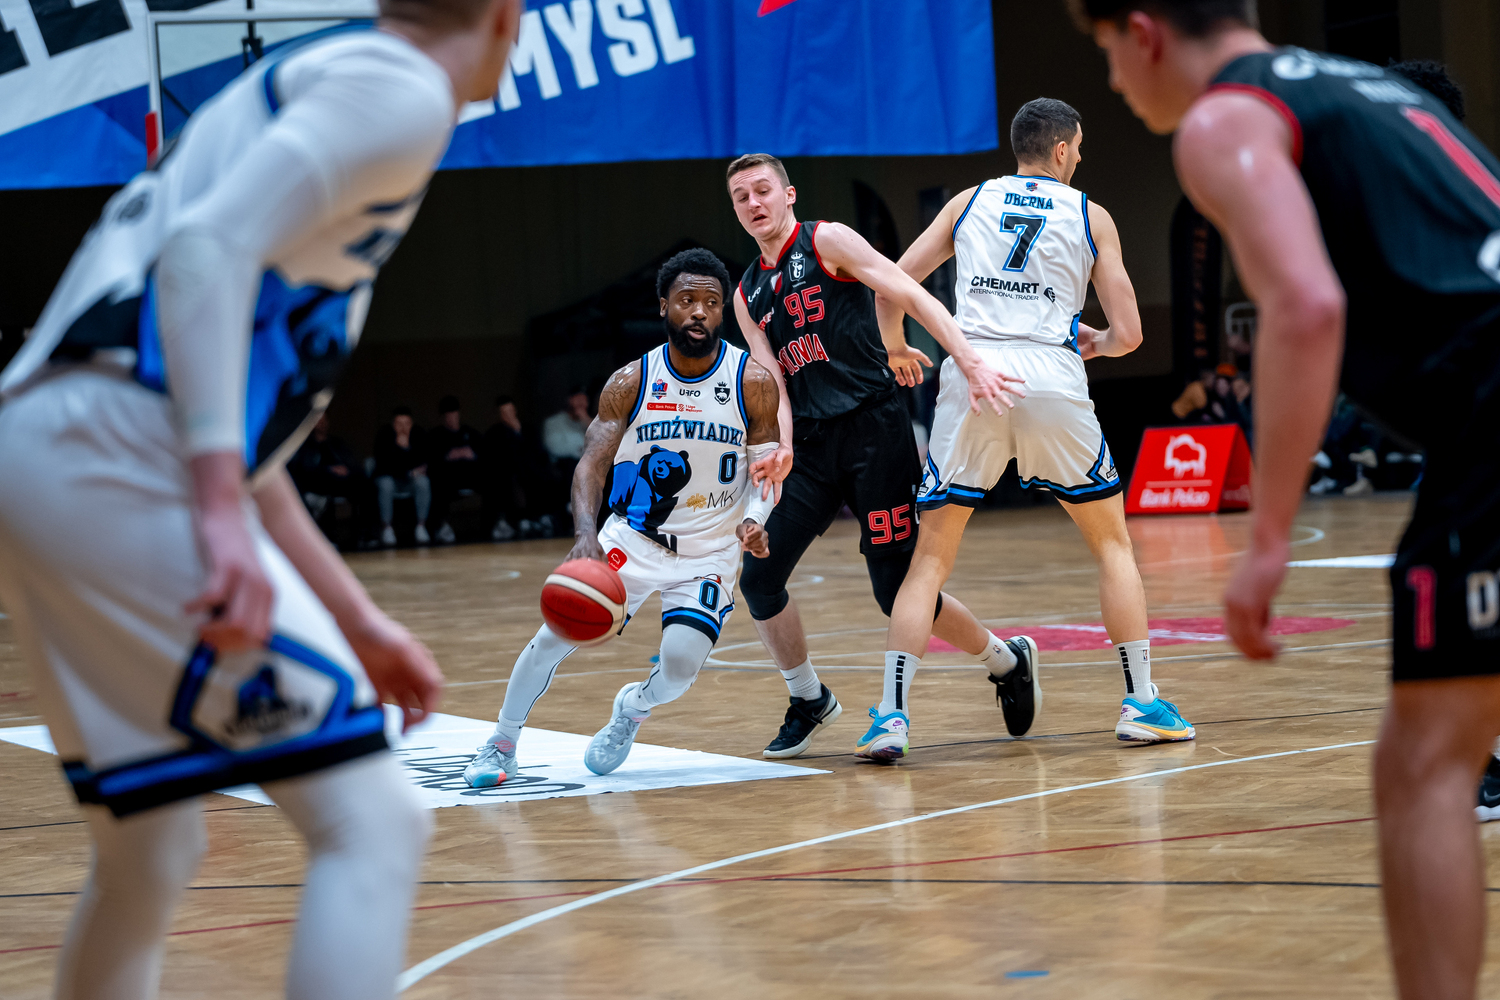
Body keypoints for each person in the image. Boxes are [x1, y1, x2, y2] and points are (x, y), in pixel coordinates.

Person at [0, 1, 522, 998]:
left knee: (148, 848)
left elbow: (235, 430)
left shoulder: (314, 79)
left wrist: (358, 619)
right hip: (116, 451)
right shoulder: (404, 88)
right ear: (506, 15)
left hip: (42, 454)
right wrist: (214, 512)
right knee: (374, 825)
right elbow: (204, 251)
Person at [1075, 1, 1500, 996]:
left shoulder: (1225, 119)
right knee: (1416, 757)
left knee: (1426, 768)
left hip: (1491, 412)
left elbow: (1306, 306)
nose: (1115, 82)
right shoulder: (1369, 89)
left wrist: (1266, 539)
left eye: (1106, 53)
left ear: (1142, 31)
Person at [879, 98, 1195, 755]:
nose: (1079, 156)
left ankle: (891, 717)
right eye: (1077, 147)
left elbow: (892, 283)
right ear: (1060, 149)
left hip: (974, 374)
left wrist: (896, 345)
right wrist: (1099, 344)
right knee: (1112, 546)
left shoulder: (967, 202)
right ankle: (1141, 702)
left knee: (928, 562)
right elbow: (1131, 334)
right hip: (1050, 375)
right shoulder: (1090, 214)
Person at [726, 152, 1034, 762]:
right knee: (759, 577)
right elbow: (773, 382)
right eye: (742, 197)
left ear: (789, 195)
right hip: (810, 447)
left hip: (875, 432)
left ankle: (1006, 660)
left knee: (896, 593)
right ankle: (808, 699)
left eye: (763, 190)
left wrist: (967, 359)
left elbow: (909, 293)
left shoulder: (828, 240)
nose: (754, 203)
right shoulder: (745, 293)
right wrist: (782, 444)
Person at [463, 249, 783, 786]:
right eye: (686, 300)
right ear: (663, 306)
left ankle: (632, 709)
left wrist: (756, 518)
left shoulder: (752, 381)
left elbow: (766, 470)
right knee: (552, 636)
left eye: (710, 302)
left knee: (678, 669)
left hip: (710, 552)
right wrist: (585, 535)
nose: (699, 311)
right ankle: (501, 743)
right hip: (633, 539)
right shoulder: (631, 381)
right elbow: (591, 465)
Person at [288, 414, 371, 543]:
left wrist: (345, 469)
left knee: (366, 486)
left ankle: (365, 535)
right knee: (326, 496)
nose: (321, 423)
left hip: (342, 481)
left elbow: (352, 463)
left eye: (324, 420)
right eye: (318, 420)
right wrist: (329, 470)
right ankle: (328, 538)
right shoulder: (305, 445)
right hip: (319, 482)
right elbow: (305, 469)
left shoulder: (336, 443)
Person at [483, 394, 555, 541]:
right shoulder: (494, 433)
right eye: (504, 413)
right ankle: (522, 518)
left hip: (532, 469)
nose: (508, 416)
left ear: (515, 410)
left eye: (510, 411)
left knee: (543, 473)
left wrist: (518, 432)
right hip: (508, 472)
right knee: (515, 477)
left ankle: (542, 516)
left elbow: (538, 452)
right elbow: (498, 457)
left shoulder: (528, 429)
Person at [426, 394, 484, 544]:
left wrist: (471, 454)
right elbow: (431, 461)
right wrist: (448, 456)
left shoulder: (470, 433)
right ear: (442, 417)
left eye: (453, 414)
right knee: (436, 480)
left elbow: (484, 453)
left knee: (494, 476)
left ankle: (497, 522)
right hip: (448, 480)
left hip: (471, 477)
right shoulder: (435, 436)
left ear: (458, 414)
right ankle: (442, 525)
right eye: (447, 416)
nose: (451, 418)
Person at [373, 405, 432, 546]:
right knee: (385, 484)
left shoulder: (418, 434)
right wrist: (400, 449)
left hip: (410, 481)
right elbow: (384, 464)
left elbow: (423, 460)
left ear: (412, 424)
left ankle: (421, 526)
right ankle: (387, 528)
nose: (403, 428)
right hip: (391, 479)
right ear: (393, 424)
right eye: (399, 424)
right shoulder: (384, 435)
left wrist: (407, 450)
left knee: (423, 482)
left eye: (407, 424)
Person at [543, 386, 590, 463]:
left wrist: (586, 420)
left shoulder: (588, 422)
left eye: (584, 400)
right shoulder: (553, 422)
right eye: (578, 399)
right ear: (569, 400)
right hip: (564, 465)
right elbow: (555, 448)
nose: (581, 403)